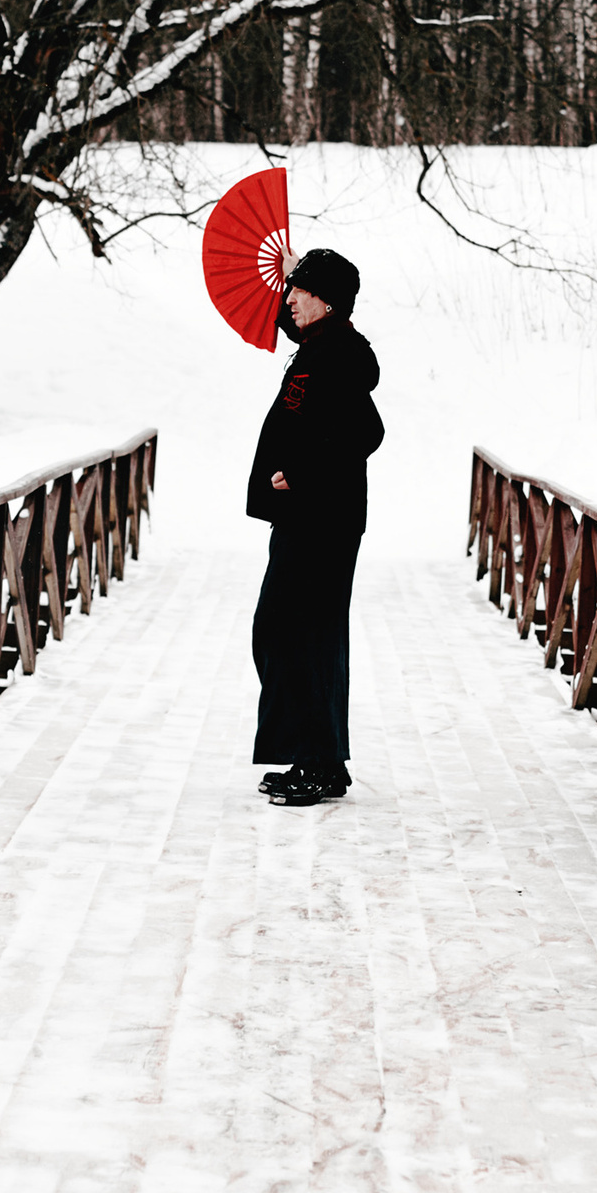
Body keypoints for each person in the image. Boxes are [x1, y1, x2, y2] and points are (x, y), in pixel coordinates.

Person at [246, 248, 384, 807]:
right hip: (309, 519)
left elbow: (365, 433)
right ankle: (318, 759)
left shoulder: (339, 357)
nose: (289, 299)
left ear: (326, 300)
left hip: (322, 522)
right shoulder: (321, 349)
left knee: (304, 637)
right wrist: (296, 285)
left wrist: (298, 472)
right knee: (286, 633)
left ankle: (320, 765)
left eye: (299, 291)